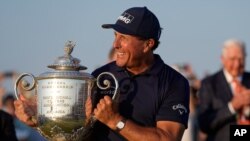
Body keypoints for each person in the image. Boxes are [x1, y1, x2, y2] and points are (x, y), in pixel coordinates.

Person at [14, 6, 190, 141]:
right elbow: (75, 131)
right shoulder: (100, 75)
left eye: (124, 38)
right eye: (115, 35)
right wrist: (40, 118)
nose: (115, 44)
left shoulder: (174, 82)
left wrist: (115, 121)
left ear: (148, 44)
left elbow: (168, 138)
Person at [197, 39, 250, 141]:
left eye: (240, 59)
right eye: (232, 59)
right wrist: (232, 107)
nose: (237, 64)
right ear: (223, 59)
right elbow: (204, 124)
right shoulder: (209, 84)